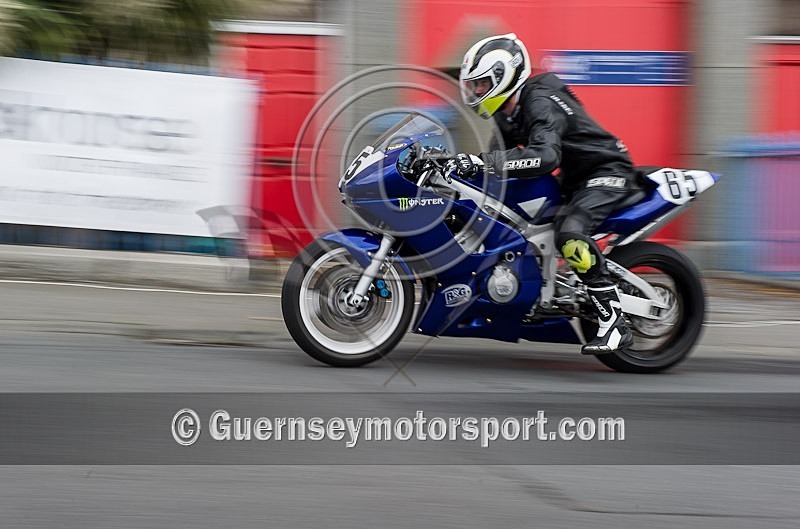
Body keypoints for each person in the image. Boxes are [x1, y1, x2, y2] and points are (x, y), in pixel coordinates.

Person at [452, 33, 635, 354]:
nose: (477, 91)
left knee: (570, 234)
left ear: (503, 76)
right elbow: (501, 163)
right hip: (571, 180)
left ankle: (614, 319)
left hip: (605, 172)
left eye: (482, 84)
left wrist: (482, 163)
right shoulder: (506, 112)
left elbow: (546, 155)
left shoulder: (540, 100)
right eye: (474, 85)